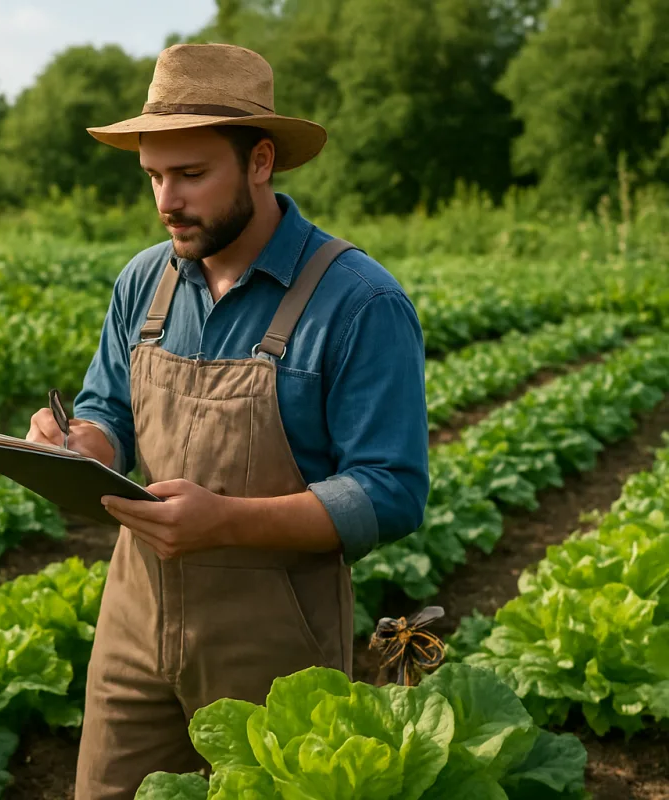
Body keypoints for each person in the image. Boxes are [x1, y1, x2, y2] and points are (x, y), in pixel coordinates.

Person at [25, 43, 430, 799]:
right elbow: (110, 409)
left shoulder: (358, 303)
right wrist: (82, 443)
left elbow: (391, 490)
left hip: (274, 650)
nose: (165, 201)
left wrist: (228, 522)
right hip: (133, 626)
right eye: (153, 175)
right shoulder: (143, 282)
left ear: (261, 161)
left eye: (190, 174)